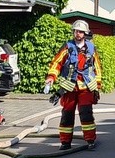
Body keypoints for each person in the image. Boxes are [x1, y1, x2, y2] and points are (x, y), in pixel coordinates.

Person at [44, 20, 103, 150]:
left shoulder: (91, 49)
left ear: (85, 33)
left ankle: (90, 140)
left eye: (80, 31)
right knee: (67, 115)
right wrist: (51, 77)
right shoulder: (67, 47)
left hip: (86, 87)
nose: (78, 33)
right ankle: (65, 142)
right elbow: (57, 63)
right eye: (76, 31)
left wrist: (98, 85)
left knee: (86, 114)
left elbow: (97, 67)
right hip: (69, 87)